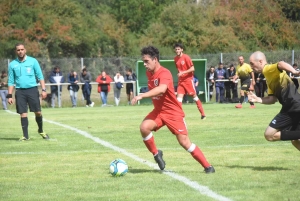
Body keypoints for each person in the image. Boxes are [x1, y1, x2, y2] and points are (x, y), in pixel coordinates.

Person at [131, 45, 215, 173]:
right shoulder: (149, 73)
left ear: (155, 60)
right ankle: (156, 154)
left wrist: (142, 95)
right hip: (159, 111)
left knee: (184, 142)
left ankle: (208, 166)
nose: (144, 64)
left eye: (147, 61)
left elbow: (162, 89)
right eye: (143, 61)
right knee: (144, 127)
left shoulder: (165, 73)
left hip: (173, 112)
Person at [248, 51, 300, 151]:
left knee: (269, 134)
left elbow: (280, 64)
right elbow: (272, 99)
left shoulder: (267, 69)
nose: (251, 67)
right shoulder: (268, 77)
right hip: (294, 105)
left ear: (260, 61)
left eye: (252, 64)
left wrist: (294, 72)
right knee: (295, 140)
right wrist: (257, 99)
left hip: (292, 107)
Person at [7, 43, 49, 141]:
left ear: (25, 50)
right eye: (18, 50)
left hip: (32, 90)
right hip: (20, 91)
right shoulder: (13, 64)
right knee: (23, 113)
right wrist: (9, 95)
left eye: (22, 49)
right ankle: (25, 136)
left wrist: (43, 90)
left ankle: (41, 130)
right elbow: (11, 81)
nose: (20, 51)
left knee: (38, 112)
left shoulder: (33, 61)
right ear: (16, 51)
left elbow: (40, 76)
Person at [173, 43, 206, 119]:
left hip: (188, 80)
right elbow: (179, 69)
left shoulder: (186, 57)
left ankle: (203, 114)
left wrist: (183, 72)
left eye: (178, 49)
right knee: (179, 99)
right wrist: (180, 74)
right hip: (181, 81)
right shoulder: (175, 59)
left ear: (182, 49)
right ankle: (180, 115)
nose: (177, 50)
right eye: (176, 49)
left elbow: (192, 69)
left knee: (194, 97)